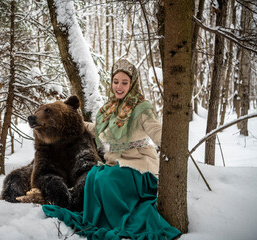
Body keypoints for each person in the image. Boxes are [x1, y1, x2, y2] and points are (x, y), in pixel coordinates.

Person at [43, 58, 181, 240]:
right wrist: (78, 124)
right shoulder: (111, 108)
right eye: (116, 82)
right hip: (118, 162)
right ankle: (99, 221)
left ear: (132, 84)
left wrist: (170, 143)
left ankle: (119, 222)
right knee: (93, 176)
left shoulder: (142, 108)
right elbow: (99, 131)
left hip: (140, 166)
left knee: (107, 179)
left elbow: (155, 129)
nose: (119, 87)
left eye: (125, 83)